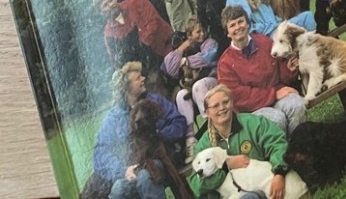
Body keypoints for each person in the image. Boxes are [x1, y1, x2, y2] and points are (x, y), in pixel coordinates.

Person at [92, 61, 188, 199]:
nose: (143, 79)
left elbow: (179, 123)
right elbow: (100, 154)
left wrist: (160, 134)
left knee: (145, 177)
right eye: (138, 78)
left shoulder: (155, 101)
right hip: (130, 168)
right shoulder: (113, 118)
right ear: (126, 87)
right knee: (119, 188)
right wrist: (122, 171)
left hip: (159, 160)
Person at [188, 84, 293, 199]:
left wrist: (279, 173)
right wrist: (226, 166)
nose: (222, 108)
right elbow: (197, 185)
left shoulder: (253, 123)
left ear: (232, 103)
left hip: (262, 185)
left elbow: (278, 144)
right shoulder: (203, 144)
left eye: (225, 102)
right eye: (215, 106)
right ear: (207, 113)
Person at [216, 4, 306, 136]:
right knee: (276, 119)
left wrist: (288, 69)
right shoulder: (225, 63)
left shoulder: (264, 42)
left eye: (240, 21)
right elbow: (238, 97)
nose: (238, 27)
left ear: (248, 24)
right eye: (232, 25)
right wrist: (273, 95)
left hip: (276, 96)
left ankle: (297, 145)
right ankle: (279, 149)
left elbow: (279, 72)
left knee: (297, 105)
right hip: (251, 110)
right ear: (228, 33)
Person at [160, 17, 219, 159]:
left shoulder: (210, 42)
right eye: (198, 32)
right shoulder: (186, 48)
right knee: (181, 95)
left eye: (203, 30)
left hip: (211, 82)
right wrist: (182, 47)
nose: (202, 34)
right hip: (192, 88)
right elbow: (169, 68)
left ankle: (212, 125)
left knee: (199, 86)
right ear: (189, 35)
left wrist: (186, 61)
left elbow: (207, 58)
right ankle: (190, 139)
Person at [94, 0, 174, 70]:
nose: (110, 5)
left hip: (169, 47)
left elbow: (154, 22)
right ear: (100, 12)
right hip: (146, 67)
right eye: (105, 5)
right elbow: (115, 59)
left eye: (111, 0)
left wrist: (141, 45)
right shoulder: (109, 33)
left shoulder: (136, 2)